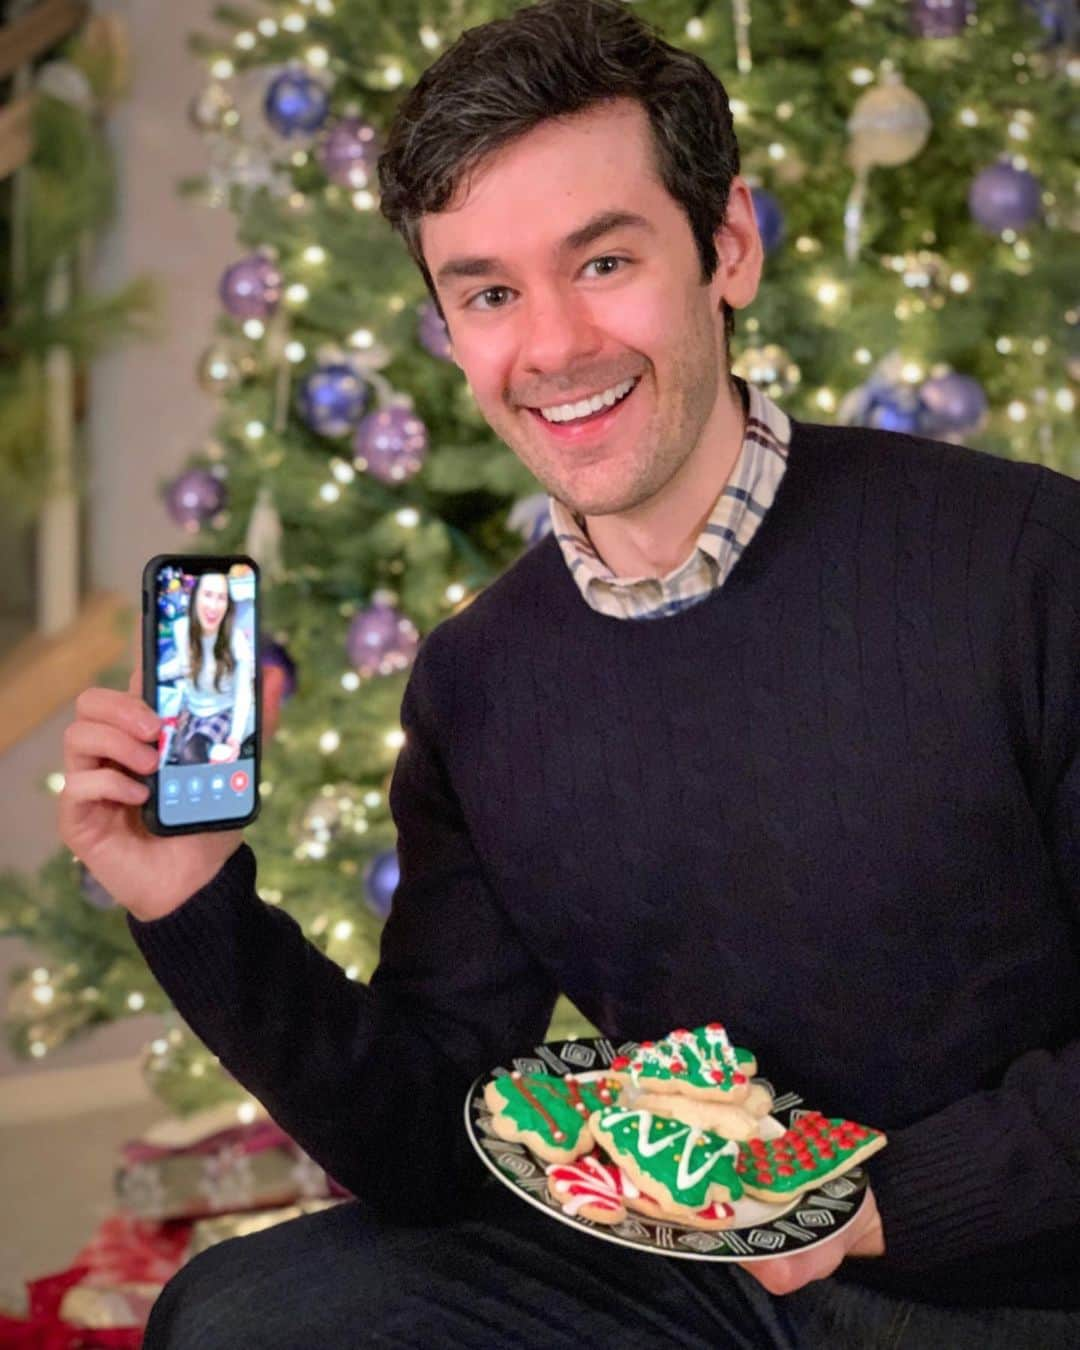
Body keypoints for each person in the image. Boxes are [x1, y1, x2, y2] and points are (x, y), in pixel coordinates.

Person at [58, 1, 1079, 1345]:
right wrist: (191, 900)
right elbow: (439, 1137)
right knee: (246, 1312)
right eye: (488, 291)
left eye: (602, 262)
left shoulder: (1023, 559)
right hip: (721, 1281)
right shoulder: (484, 683)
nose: (551, 348)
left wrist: (878, 1203)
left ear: (730, 246)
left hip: (1022, 1280)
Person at [159, 573, 253, 766]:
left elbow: (243, 694)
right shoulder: (181, 629)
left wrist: (235, 737)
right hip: (190, 709)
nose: (213, 606)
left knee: (191, 754)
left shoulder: (236, 642)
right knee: (165, 754)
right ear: (195, 598)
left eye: (221, 598)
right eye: (208, 595)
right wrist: (153, 673)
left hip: (221, 712)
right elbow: (183, 663)